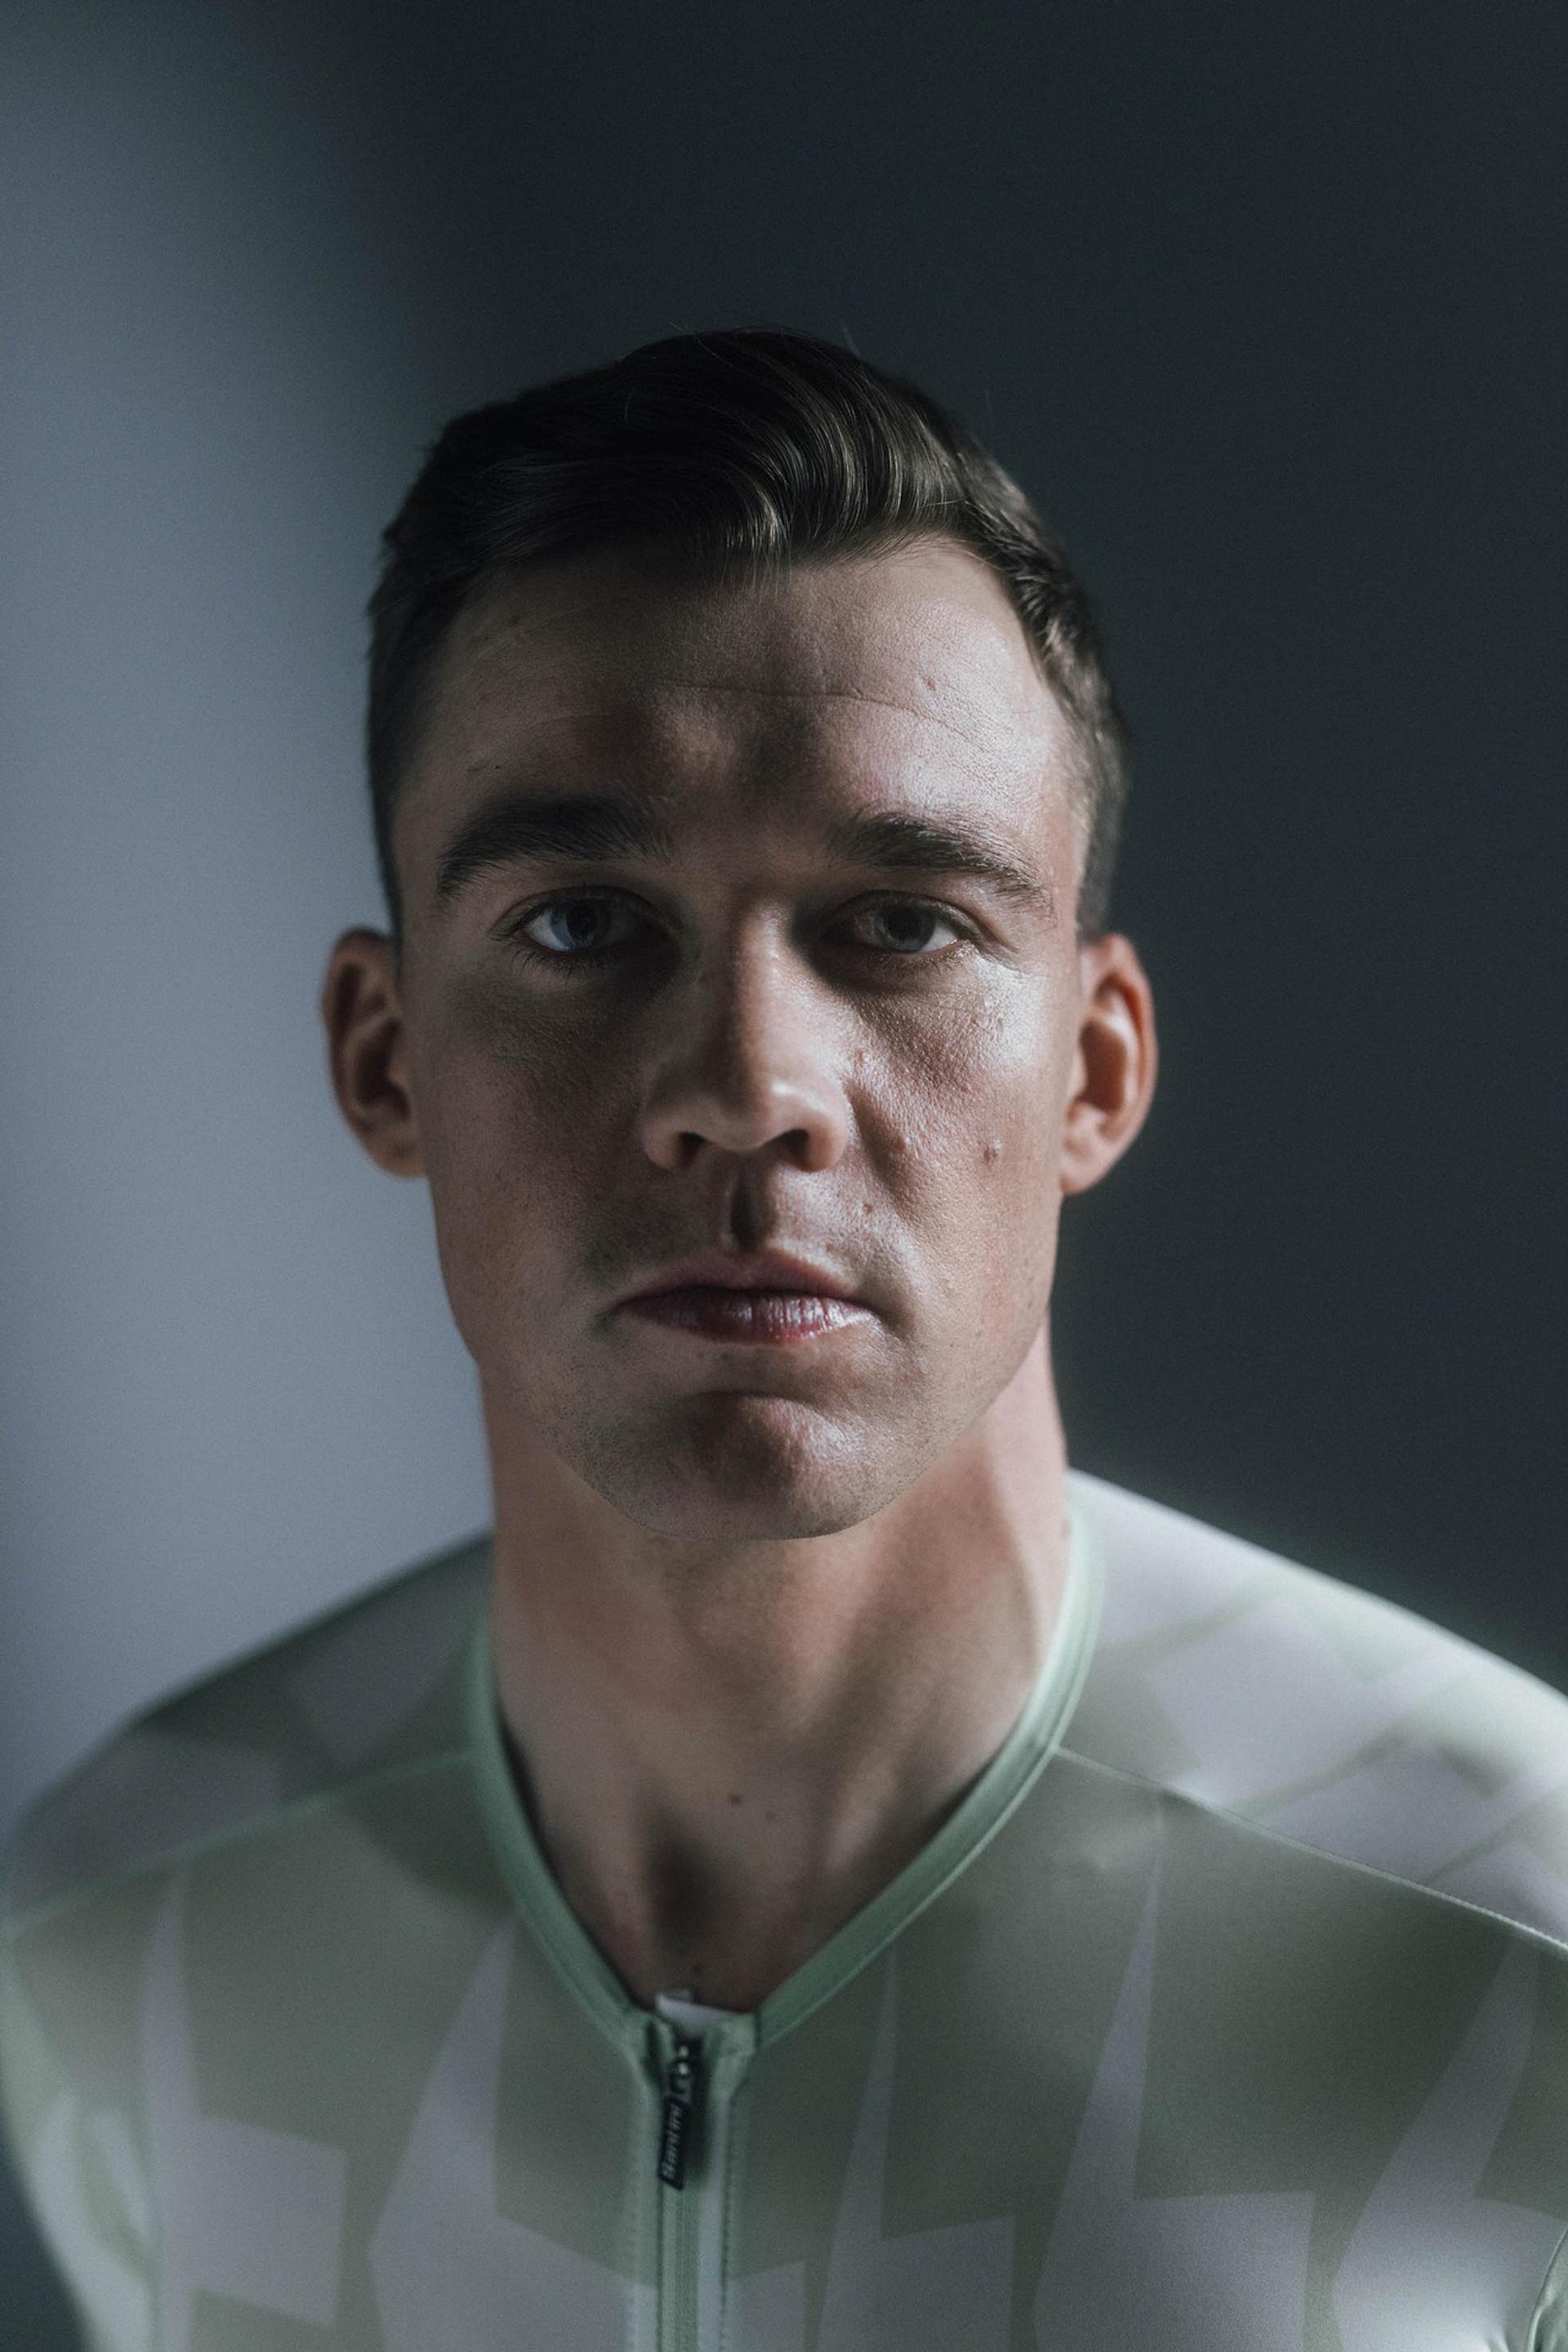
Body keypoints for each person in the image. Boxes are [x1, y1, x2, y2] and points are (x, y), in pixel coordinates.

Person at [3, 327, 1567, 2352]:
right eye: (583, 924)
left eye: (898, 925)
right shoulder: (129, 1937)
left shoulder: (1510, 1960)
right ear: (385, 1063)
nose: (750, 1084)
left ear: (1093, 1074)